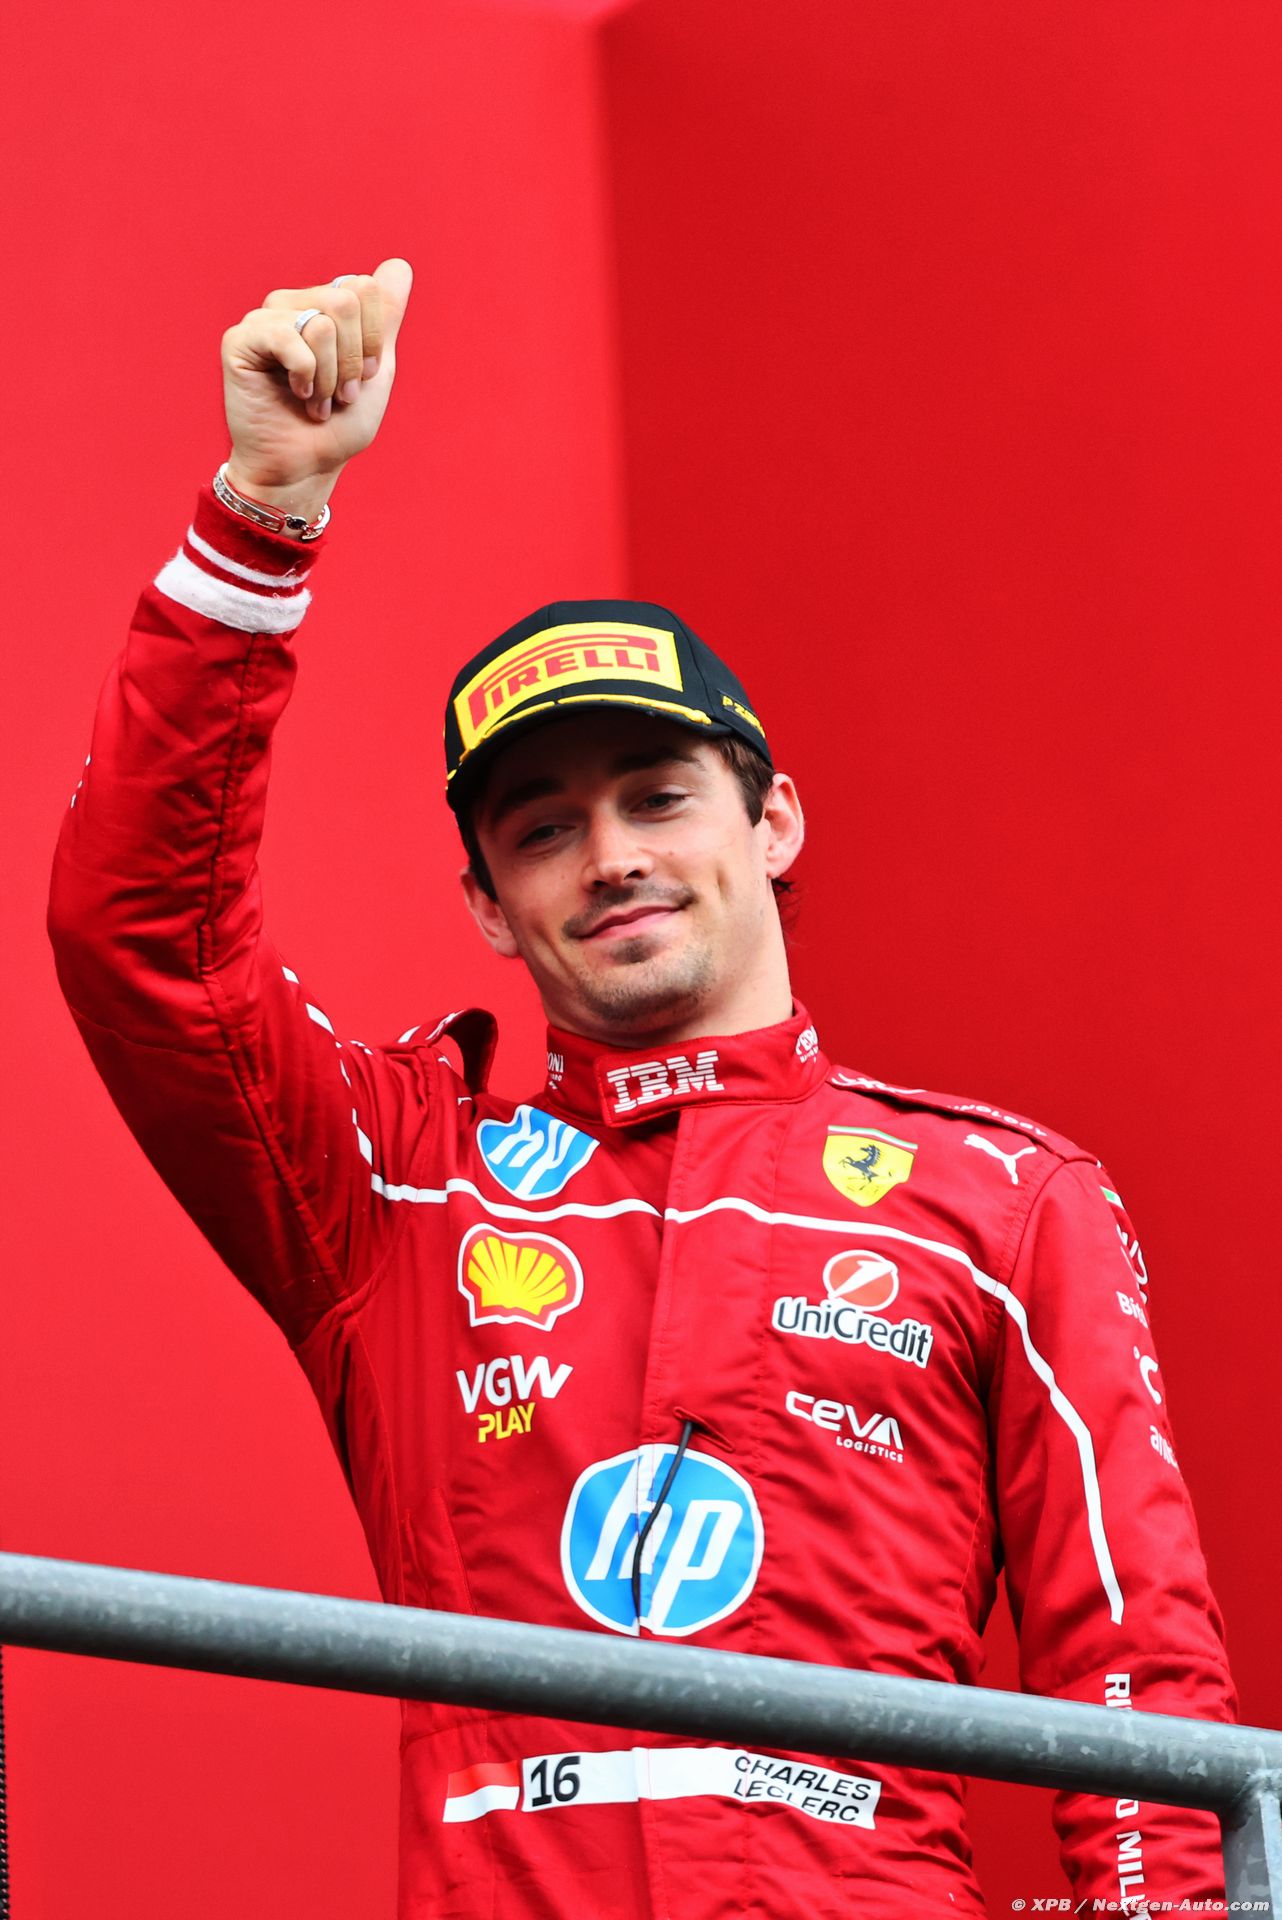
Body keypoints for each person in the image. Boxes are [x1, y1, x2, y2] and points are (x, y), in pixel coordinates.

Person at [48, 258, 1236, 1919]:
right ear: (487, 906)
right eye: (542, 828)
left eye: (658, 797)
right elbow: (146, 945)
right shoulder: (400, 1185)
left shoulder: (1006, 1203)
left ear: (773, 821)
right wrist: (262, 516)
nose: (610, 858)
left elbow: (1135, 1681)